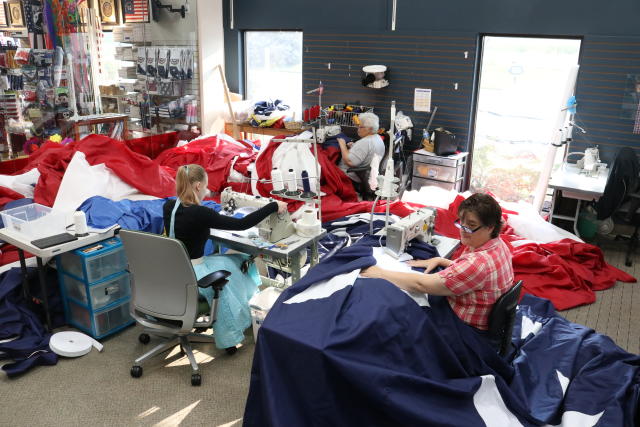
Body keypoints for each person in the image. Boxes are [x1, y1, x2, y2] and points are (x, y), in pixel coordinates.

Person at [163, 164, 287, 348]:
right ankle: (237, 323)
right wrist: (273, 206)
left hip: (173, 271)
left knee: (233, 260)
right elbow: (242, 224)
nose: (207, 189)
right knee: (242, 261)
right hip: (194, 274)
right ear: (197, 186)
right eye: (205, 185)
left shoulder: (169, 206)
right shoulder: (201, 213)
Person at [361, 193, 514, 331]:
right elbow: (475, 275)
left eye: (471, 225)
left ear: (490, 227)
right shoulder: (499, 244)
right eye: (461, 222)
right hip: (483, 315)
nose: (463, 230)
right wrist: (441, 260)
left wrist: (380, 273)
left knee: (400, 315)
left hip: (464, 329)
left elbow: (420, 285)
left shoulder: (477, 264)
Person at [337, 112, 385, 183]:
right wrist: (354, 146)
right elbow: (366, 151)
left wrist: (342, 144)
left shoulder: (366, 142)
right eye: (358, 126)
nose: (358, 129)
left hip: (348, 175)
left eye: (361, 127)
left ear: (370, 129)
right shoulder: (377, 137)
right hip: (366, 171)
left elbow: (349, 162)